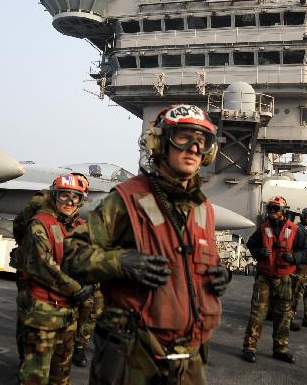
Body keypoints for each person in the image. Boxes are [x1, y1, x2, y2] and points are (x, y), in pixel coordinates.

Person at [62, 104, 230, 385]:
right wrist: (119, 262)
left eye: (201, 141)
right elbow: (72, 255)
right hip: (135, 358)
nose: (192, 148)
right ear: (160, 142)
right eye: (183, 137)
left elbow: (196, 262)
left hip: (190, 359)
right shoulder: (127, 199)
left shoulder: (204, 209)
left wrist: (219, 274)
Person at [16, 173, 93, 384]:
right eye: (64, 196)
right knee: (35, 377)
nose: (69, 202)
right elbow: (42, 266)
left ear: (81, 200)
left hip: (69, 317)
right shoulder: (39, 225)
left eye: (75, 197)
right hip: (43, 315)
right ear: (54, 196)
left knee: (61, 377)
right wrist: (77, 289)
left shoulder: (80, 227)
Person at [242, 195, 307, 365]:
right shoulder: (263, 228)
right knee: (257, 313)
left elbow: (305, 251)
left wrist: (293, 258)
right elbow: (251, 244)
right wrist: (259, 253)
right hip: (264, 276)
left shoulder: (295, 230)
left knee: (283, 315)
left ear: (283, 211)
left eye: (275, 209)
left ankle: (280, 349)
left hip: (284, 278)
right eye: (270, 208)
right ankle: (249, 348)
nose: (272, 211)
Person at [72, 285, 104, 367]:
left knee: (95, 313)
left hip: (100, 282)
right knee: (78, 309)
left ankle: (80, 345)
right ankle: (69, 343)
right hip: (80, 280)